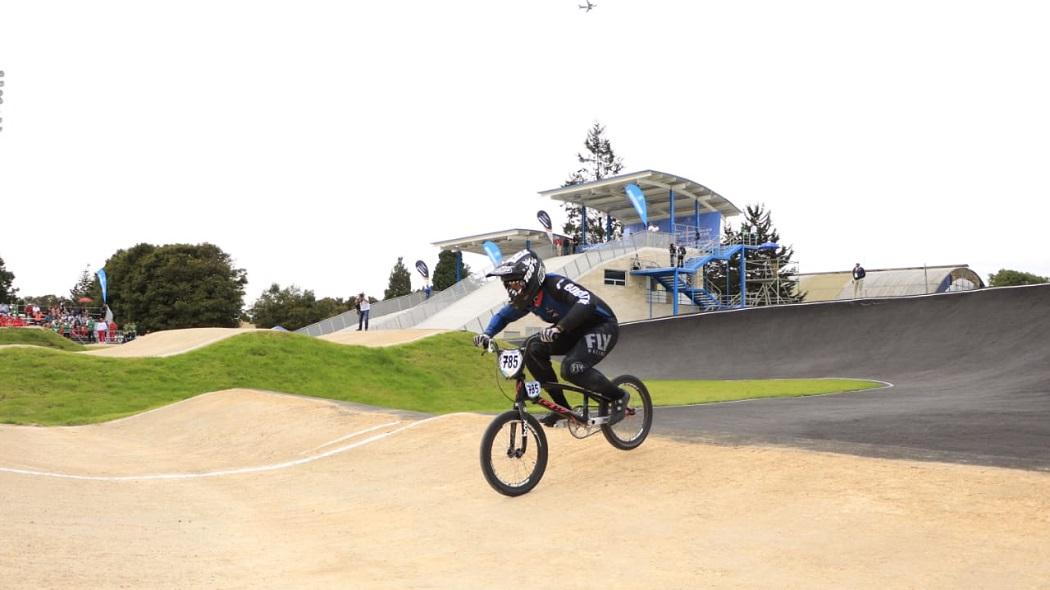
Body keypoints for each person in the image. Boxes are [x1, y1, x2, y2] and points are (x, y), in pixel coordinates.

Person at [472, 249, 629, 427]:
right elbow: (503, 316)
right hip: (571, 331)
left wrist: (559, 327)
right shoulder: (527, 300)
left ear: (529, 279)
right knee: (531, 349)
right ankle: (560, 408)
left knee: (571, 368)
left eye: (514, 285)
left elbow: (587, 300)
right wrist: (487, 334)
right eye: (508, 287)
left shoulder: (555, 284)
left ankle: (619, 396)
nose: (512, 292)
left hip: (601, 326)